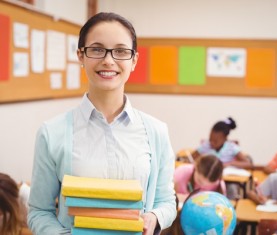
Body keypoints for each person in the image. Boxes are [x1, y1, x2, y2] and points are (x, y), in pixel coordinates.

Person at [28, 12, 176, 235]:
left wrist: (154, 217)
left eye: (120, 51)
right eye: (97, 49)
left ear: (134, 60)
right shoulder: (52, 133)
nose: (108, 60)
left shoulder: (156, 131)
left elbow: (166, 201)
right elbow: (39, 211)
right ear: (81, 56)